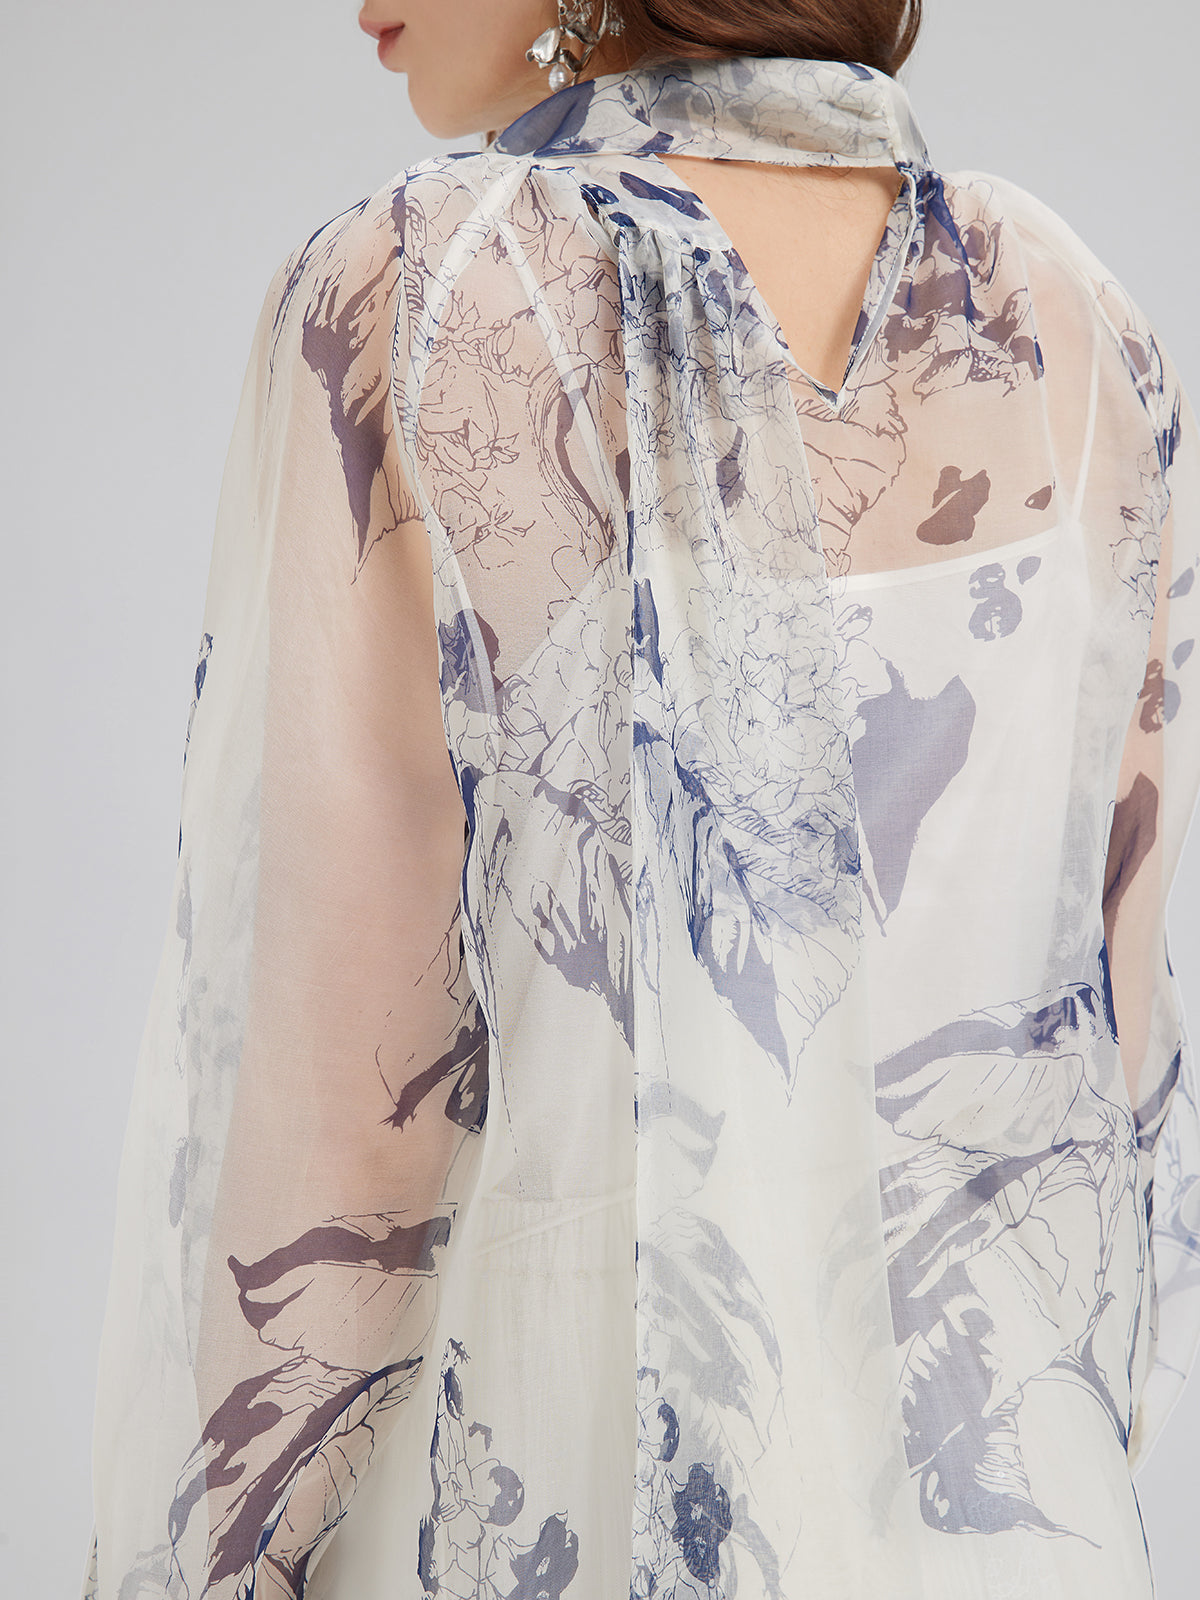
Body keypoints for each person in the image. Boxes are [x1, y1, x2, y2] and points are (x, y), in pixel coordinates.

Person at [80, 2, 1200, 1596]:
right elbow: (1113, 1069)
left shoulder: (423, 288)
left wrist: (217, 1571)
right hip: (1006, 1523)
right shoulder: (1075, 319)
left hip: (562, 1494)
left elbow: (346, 1133)